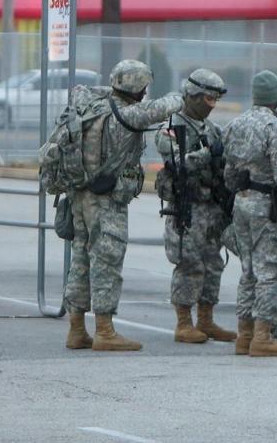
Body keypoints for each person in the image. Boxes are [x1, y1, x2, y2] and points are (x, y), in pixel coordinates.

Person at [64, 60, 183, 352]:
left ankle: (77, 329)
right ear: (137, 87)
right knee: (107, 262)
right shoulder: (126, 115)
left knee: (80, 261)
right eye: (143, 86)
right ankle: (104, 331)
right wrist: (181, 95)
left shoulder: (94, 107)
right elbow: (165, 106)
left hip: (80, 195)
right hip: (106, 202)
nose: (145, 92)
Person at [222, 70, 277, 357]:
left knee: (248, 271)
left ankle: (244, 335)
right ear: (275, 96)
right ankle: (263, 336)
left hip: (242, 203)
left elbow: (228, 171)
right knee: (271, 272)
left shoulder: (235, 125)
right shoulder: (276, 128)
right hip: (266, 207)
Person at [154, 68, 236, 345]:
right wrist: (207, 153)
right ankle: (183, 323)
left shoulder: (212, 129)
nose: (211, 106)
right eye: (207, 100)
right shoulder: (172, 126)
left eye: (215, 101)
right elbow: (177, 164)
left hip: (212, 208)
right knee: (189, 264)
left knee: (213, 264)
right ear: (193, 95)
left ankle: (206, 319)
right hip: (186, 208)